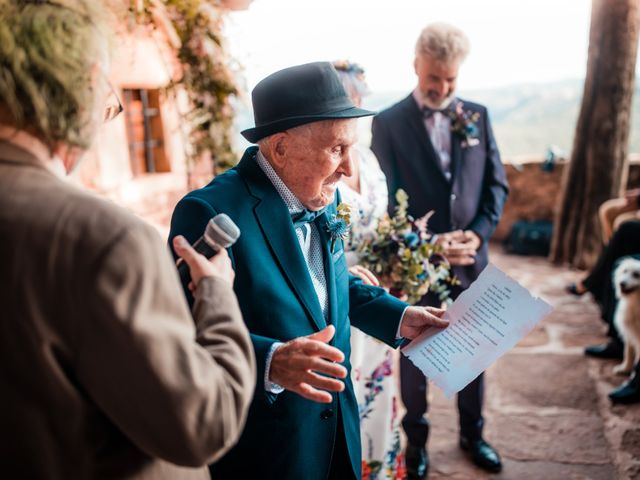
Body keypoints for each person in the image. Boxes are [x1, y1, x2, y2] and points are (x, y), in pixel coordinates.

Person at [0, 2, 256, 478]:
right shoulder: (105, 237)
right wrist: (218, 295)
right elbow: (204, 424)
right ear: (81, 91)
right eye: (110, 106)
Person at [168, 61, 450, 480]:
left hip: (338, 430)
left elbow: (329, 288)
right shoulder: (209, 212)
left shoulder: (323, 193)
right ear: (280, 148)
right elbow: (179, 332)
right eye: (337, 149)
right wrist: (271, 361)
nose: (349, 169)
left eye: (350, 149)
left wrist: (400, 315)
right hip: (268, 446)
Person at [371, 23, 509, 478]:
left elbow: (495, 185)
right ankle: (418, 442)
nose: (442, 88)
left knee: (476, 351)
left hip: (472, 260)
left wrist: (480, 233)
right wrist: (426, 243)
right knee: (415, 355)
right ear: (416, 66)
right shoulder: (387, 123)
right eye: (434, 78)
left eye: (451, 79)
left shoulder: (477, 115)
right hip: (418, 265)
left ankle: (474, 434)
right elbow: (383, 202)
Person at [334, 60, 404, 478]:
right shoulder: (326, 167)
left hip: (383, 291)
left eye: (360, 100)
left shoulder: (369, 159)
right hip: (345, 289)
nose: (356, 108)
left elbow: (386, 221)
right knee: (352, 395)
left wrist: (398, 262)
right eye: (348, 100)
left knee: (380, 390)